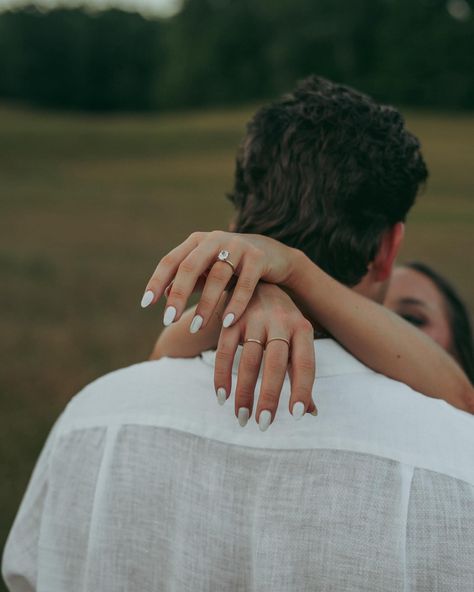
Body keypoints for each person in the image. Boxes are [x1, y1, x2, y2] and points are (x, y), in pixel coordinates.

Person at [3, 76, 474, 591]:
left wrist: (283, 273)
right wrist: (286, 280)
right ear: (388, 248)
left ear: (238, 219)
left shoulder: (90, 420)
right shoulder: (453, 462)